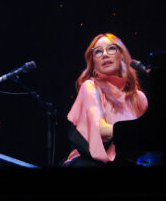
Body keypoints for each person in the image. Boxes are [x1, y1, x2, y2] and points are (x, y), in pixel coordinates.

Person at [63, 33, 148, 167]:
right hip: (90, 161)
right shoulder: (90, 87)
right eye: (98, 51)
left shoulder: (139, 98)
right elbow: (101, 129)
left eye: (111, 49)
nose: (105, 54)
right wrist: (137, 132)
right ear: (93, 62)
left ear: (121, 55)